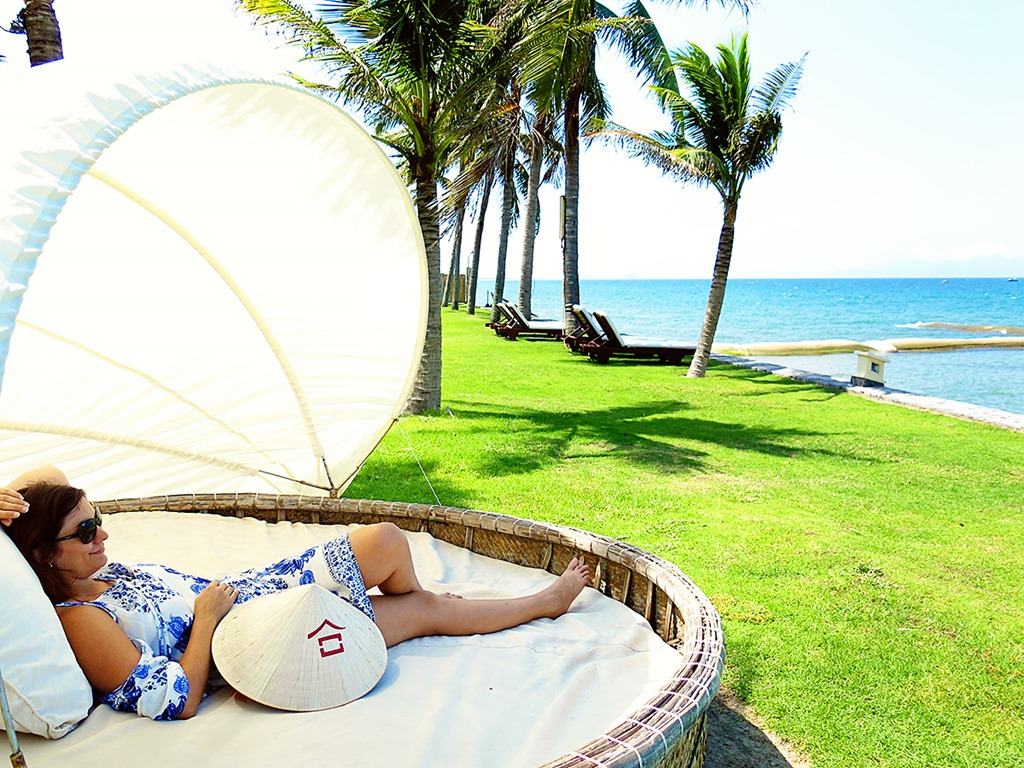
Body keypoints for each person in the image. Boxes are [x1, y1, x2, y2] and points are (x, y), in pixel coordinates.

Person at [2, 466, 591, 720]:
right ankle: (542, 603)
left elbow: (46, 474)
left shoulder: (92, 569)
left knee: (385, 543)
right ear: (42, 555)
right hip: (250, 641)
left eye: (98, 517)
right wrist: (206, 621)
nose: (102, 532)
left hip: (254, 596)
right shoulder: (80, 620)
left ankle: (429, 601)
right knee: (419, 611)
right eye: (84, 530)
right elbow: (174, 700)